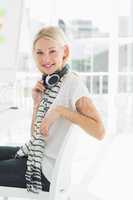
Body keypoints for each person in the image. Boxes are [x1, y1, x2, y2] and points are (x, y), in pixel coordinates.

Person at [0, 26, 105, 193]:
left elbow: (100, 132)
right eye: (39, 53)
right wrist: (36, 103)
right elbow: (35, 136)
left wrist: (61, 111)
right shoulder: (52, 83)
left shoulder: (73, 84)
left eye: (52, 51)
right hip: (37, 156)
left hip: (46, 171)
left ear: (65, 51)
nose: (45, 58)